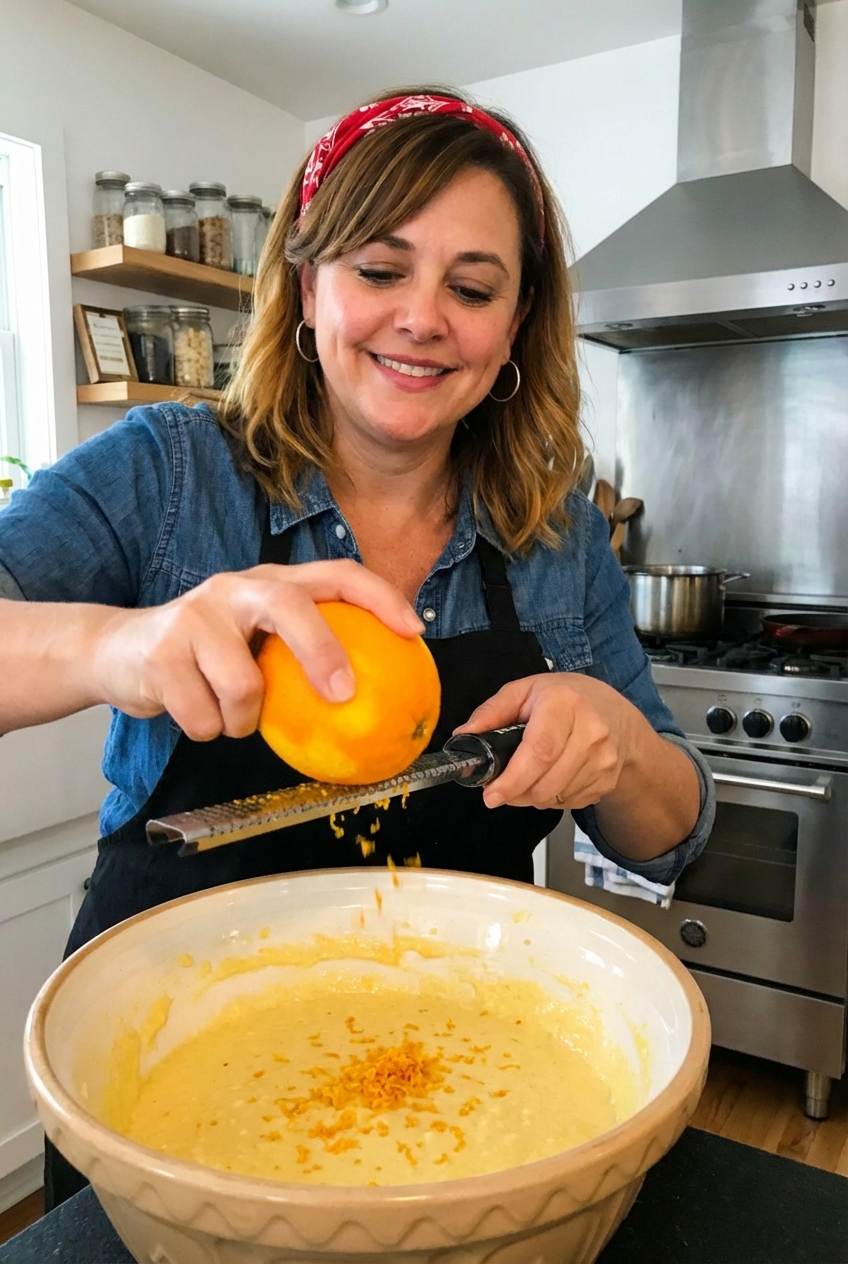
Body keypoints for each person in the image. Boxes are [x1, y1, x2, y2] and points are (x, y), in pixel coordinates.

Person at [0, 88, 713, 1205]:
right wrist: (125, 646)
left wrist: (620, 745)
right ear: (305, 284)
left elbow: (673, 837)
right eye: (380, 271)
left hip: (457, 1093)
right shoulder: (168, 473)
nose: (423, 317)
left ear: (515, 325)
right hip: (161, 1075)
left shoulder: (559, 531)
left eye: (472, 287)